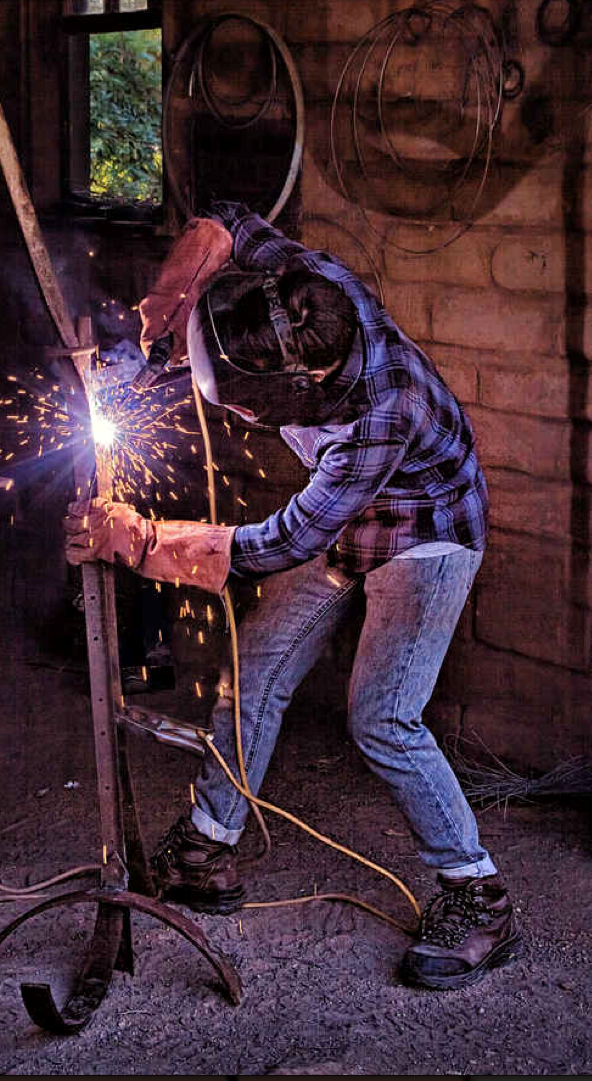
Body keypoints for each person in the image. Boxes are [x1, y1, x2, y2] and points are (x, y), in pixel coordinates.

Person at [64, 201, 521, 991]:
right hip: (353, 523)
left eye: (235, 403)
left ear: (295, 391)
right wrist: (167, 316)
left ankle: (477, 896)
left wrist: (139, 540)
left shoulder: (380, 417)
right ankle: (209, 848)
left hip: (429, 530)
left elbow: (278, 543)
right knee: (260, 667)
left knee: (383, 713)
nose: (224, 411)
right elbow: (227, 223)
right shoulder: (306, 291)